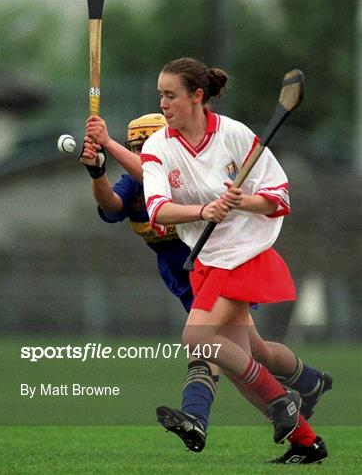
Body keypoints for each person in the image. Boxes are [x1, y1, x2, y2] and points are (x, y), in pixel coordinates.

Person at [82, 109, 331, 462]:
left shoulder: (179, 174)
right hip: (187, 280)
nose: (139, 154)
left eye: (144, 147)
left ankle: (201, 417)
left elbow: (156, 174)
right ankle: (306, 396)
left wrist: (107, 143)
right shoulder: (137, 182)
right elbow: (111, 206)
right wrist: (97, 172)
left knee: (207, 349)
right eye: (133, 146)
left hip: (219, 269)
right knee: (251, 353)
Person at [140, 57, 329, 464]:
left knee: (197, 338)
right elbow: (157, 209)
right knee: (242, 354)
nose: (163, 103)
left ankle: (283, 402)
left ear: (197, 96)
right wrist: (204, 211)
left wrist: (247, 200)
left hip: (245, 253)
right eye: (160, 95)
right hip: (206, 259)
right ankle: (305, 440)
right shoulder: (158, 146)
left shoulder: (235, 135)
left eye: (170, 95)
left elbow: (279, 195)